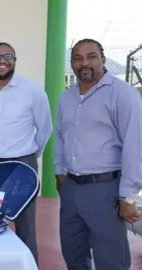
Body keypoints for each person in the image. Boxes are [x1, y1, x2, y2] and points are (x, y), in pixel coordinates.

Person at [54, 38, 142, 270]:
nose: (84, 63)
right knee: (73, 253)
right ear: (72, 63)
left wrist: (129, 197)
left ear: (103, 60)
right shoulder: (67, 97)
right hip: (71, 188)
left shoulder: (123, 95)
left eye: (91, 57)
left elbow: (135, 146)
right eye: (77, 58)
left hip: (106, 191)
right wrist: (58, 173)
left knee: (111, 260)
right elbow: (60, 137)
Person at [0, 42, 53, 264]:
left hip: (22, 165)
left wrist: (29, 156)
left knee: (25, 226)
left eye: (7, 56)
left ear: (15, 60)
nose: (2, 61)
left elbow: (45, 128)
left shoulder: (32, 91)